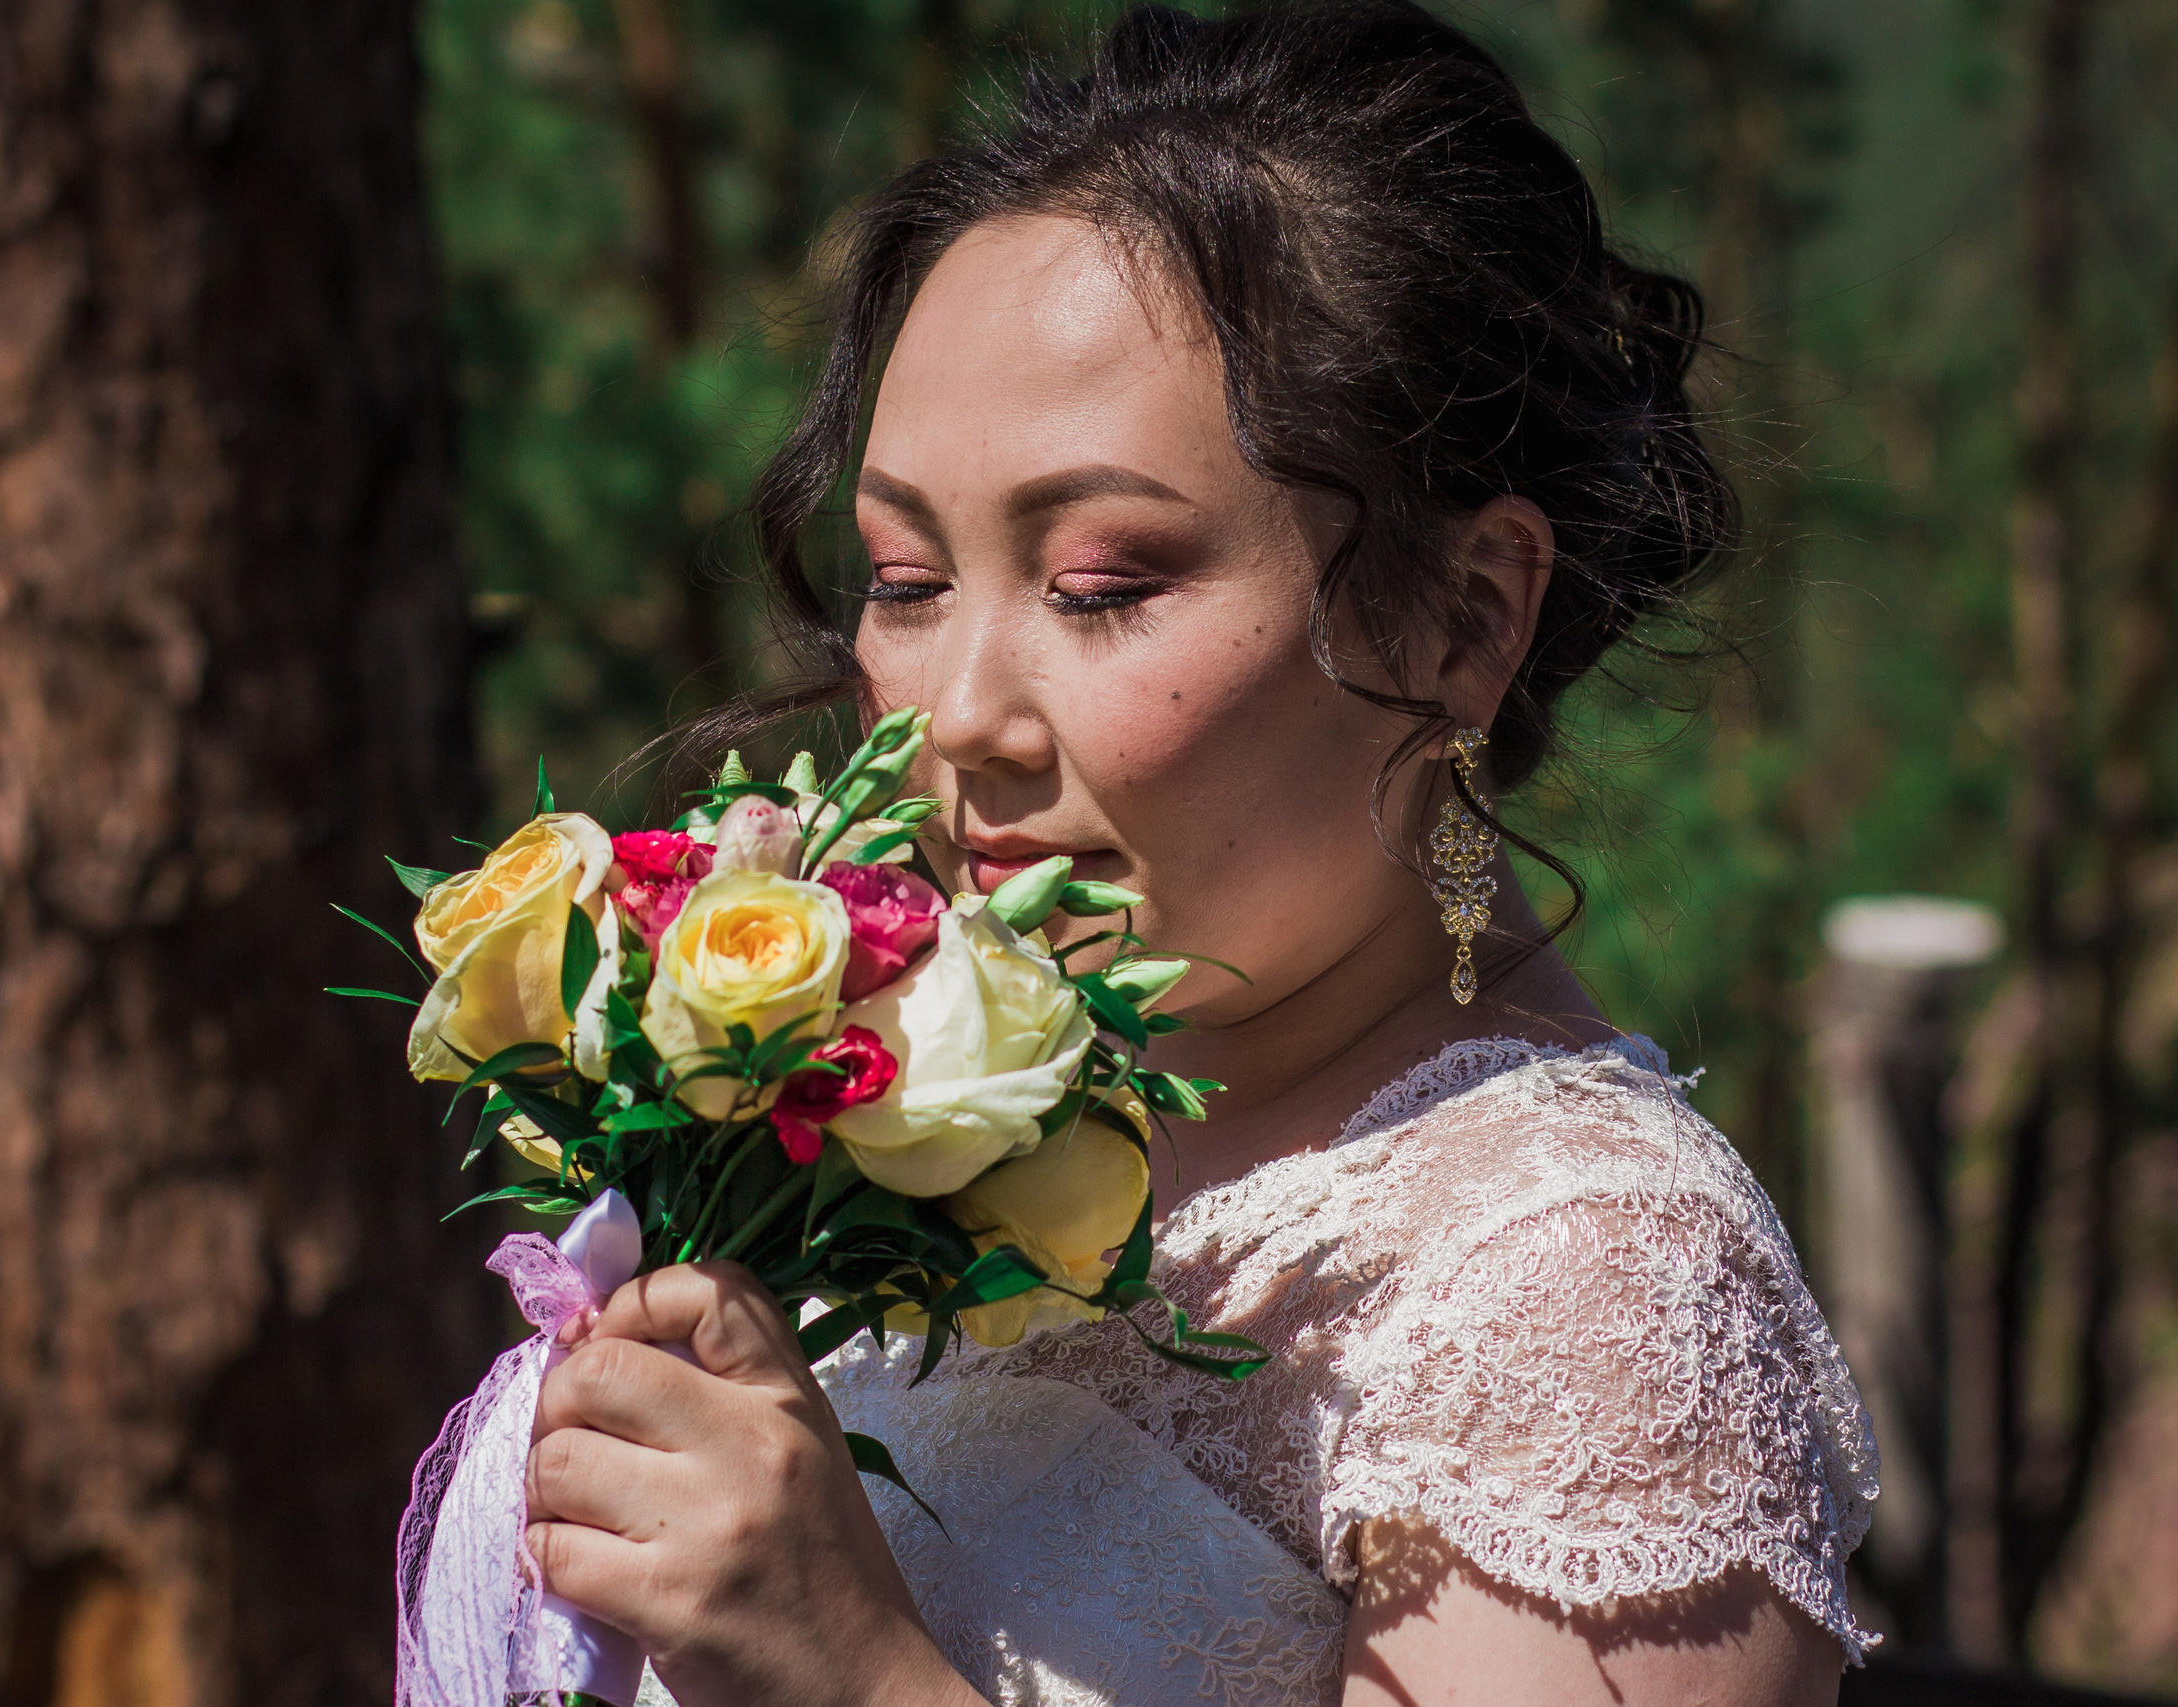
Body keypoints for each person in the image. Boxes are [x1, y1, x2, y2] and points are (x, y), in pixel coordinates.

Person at [515, 5, 1878, 1702]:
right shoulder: (934, 1114)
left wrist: (848, 1670)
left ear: (1469, 615)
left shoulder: (1588, 1299)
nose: (959, 719)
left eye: (1100, 586)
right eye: (906, 581)